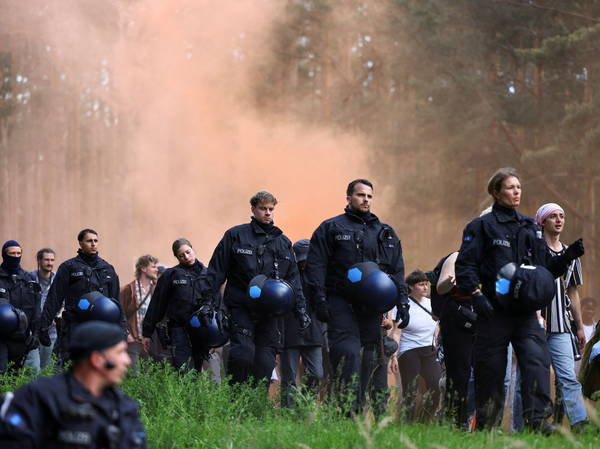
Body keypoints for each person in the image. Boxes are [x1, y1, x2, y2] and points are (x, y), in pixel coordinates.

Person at [455, 167, 584, 433]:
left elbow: (545, 268)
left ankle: (537, 422)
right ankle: (487, 427)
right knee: (491, 371)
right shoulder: (480, 226)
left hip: (525, 312)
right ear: (495, 192)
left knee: (537, 362)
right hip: (492, 310)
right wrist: (476, 295)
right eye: (510, 187)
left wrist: (568, 255)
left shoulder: (529, 227)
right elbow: (465, 265)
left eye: (519, 187)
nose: (517, 192)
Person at [304, 179, 410, 414]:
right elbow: (316, 267)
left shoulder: (384, 232)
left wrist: (402, 301)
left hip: (371, 307)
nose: (366, 200)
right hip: (340, 302)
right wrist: (319, 299)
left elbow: (396, 269)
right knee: (348, 354)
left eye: (370, 196)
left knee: (370, 359)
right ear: (349, 198)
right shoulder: (330, 228)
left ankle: (364, 412)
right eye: (361, 195)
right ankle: (346, 413)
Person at [199, 191, 310, 385]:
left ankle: (256, 408)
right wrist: (207, 302)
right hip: (241, 307)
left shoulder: (283, 243)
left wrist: (301, 309)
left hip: (270, 313)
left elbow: (293, 280)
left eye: (271, 209)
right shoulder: (235, 235)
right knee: (243, 356)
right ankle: (236, 402)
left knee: (265, 364)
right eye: (263, 208)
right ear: (253, 210)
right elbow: (216, 272)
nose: (267, 213)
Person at [0, 321, 147, 448]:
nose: (127, 361)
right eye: (120, 352)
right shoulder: (40, 398)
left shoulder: (123, 407)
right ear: (98, 360)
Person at [534, 203, 588, 430]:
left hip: (562, 326)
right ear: (542, 221)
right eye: (553, 216)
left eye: (562, 216)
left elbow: (573, 291)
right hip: (533, 326)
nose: (559, 220)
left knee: (567, 377)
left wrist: (579, 326)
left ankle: (580, 423)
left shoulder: (571, 253)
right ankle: (530, 424)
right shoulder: (534, 250)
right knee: (533, 377)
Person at [40, 229, 122, 365]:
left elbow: (116, 302)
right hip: (75, 325)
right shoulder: (69, 267)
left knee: (99, 364)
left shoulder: (107, 268)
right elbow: (54, 298)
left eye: (96, 241)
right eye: (89, 241)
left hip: (101, 326)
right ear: (80, 243)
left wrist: (121, 329)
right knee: (72, 364)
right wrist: (43, 326)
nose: (93, 244)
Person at [142, 239, 209, 372]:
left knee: (197, 370)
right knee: (183, 370)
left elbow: (216, 303)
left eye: (188, 252)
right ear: (177, 257)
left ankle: (194, 394)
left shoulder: (207, 274)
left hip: (202, 329)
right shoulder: (170, 275)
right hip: (179, 329)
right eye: (181, 255)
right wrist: (147, 333)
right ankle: (182, 393)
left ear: (192, 249)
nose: (186, 257)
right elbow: (157, 304)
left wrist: (216, 336)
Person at [391, 270, 442, 421]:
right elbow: (396, 333)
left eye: (426, 284)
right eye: (421, 284)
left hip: (429, 350)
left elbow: (439, 323)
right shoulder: (403, 305)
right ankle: (408, 424)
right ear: (411, 287)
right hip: (409, 351)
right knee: (410, 391)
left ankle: (424, 421)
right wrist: (394, 356)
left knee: (436, 386)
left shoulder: (432, 303)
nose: (425, 287)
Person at [280, 239, 325, 407]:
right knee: (289, 377)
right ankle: (288, 412)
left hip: (313, 333)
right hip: (289, 332)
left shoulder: (319, 275)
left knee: (317, 374)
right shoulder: (286, 274)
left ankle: (305, 406)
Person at [0, 241, 41, 373]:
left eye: (18, 253)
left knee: (28, 373)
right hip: (2, 338)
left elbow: (36, 309)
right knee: (3, 373)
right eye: (12, 253)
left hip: (24, 338)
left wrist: (36, 333)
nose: (15, 256)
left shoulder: (29, 278)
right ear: (4, 255)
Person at [120, 255, 159, 366]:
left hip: (151, 341)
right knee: (134, 376)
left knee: (150, 375)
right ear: (143, 268)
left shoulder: (156, 289)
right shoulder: (129, 290)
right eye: (153, 267)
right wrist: (127, 334)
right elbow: (120, 313)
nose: (156, 269)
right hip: (134, 340)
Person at [24, 248, 57, 373]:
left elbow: (64, 301)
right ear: (39, 260)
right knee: (33, 369)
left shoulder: (58, 279)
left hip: (51, 332)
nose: (50, 263)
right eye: (46, 260)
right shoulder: (29, 278)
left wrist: (57, 316)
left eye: (52, 260)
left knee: (47, 368)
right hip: (32, 331)